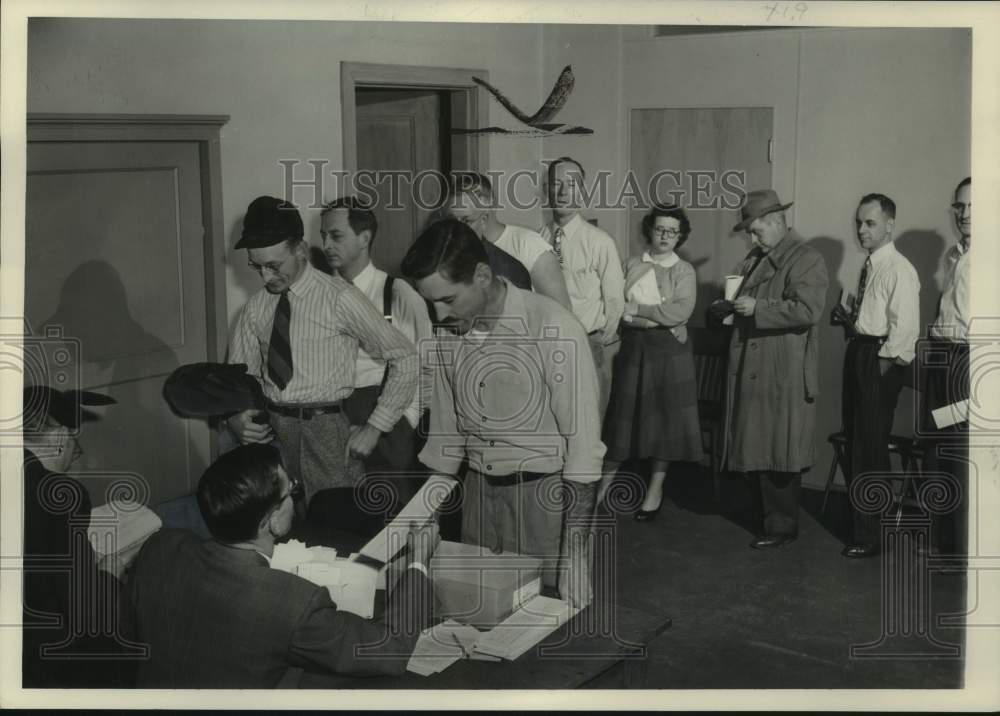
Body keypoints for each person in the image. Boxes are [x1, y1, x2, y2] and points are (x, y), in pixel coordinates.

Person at [401, 219, 604, 609]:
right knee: (476, 617)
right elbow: (445, 444)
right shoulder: (446, 334)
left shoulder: (553, 327)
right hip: (478, 498)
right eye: (430, 303)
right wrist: (425, 517)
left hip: (544, 503)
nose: (439, 315)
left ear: (482, 276)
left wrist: (575, 555)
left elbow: (584, 453)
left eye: (448, 299)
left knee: (544, 618)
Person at [120, 443, 437, 687]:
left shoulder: (161, 547)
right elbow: (389, 651)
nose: (295, 497)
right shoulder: (293, 601)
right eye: (291, 492)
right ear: (270, 521)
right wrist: (419, 560)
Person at [226, 196, 419, 508]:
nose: (265, 277)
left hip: (327, 433)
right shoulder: (255, 308)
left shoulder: (340, 298)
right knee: (282, 523)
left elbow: (405, 357)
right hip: (273, 434)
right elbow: (238, 378)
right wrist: (235, 418)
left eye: (274, 266)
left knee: (333, 522)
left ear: (300, 250)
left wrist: (375, 427)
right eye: (256, 266)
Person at [709, 189, 829, 549]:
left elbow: (808, 310)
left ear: (777, 221)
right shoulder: (756, 258)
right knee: (759, 444)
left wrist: (757, 308)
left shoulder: (806, 258)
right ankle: (766, 519)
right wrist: (725, 309)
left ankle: (781, 527)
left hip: (782, 370)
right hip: (754, 363)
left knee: (779, 448)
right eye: (750, 232)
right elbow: (740, 300)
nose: (752, 239)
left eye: (756, 231)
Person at [319, 196, 433, 515]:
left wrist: (403, 425)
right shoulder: (320, 296)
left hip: (389, 421)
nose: (326, 245)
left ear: (364, 237)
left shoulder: (397, 294)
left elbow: (425, 367)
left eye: (336, 235)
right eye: (323, 236)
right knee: (341, 513)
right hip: (335, 417)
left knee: (394, 518)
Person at [21, 386, 135, 687]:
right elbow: (86, 614)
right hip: (47, 665)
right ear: (59, 437)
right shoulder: (58, 495)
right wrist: (110, 572)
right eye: (74, 439)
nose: (75, 452)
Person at [597, 205, 703, 519]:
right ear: (649, 231)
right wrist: (653, 319)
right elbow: (617, 308)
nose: (665, 236)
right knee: (621, 421)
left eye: (672, 231)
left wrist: (639, 311)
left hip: (670, 354)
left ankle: (654, 491)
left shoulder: (683, 270)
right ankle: (601, 489)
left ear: (680, 236)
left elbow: (680, 311)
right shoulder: (631, 264)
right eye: (660, 229)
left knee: (665, 424)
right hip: (634, 350)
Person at [831, 193, 920, 558]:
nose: (861, 230)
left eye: (870, 223)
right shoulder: (871, 265)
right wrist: (850, 322)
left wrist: (878, 371)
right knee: (856, 441)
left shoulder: (899, 269)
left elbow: (905, 332)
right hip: (861, 350)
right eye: (858, 223)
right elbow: (872, 318)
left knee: (870, 448)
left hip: (879, 359)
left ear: (889, 225)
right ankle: (862, 525)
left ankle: (871, 537)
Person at [540, 156, 625, 418]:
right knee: (551, 421)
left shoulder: (600, 242)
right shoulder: (538, 239)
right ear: (547, 190)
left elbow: (614, 301)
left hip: (588, 345)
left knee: (588, 423)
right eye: (556, 184)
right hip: (547, 345)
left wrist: (597, 343)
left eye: (572, 185)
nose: (563, 192)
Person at [921, 177, 971, 556]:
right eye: (959, 206)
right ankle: (943, 541)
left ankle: (963, 546)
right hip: (943, 358)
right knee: (939, 449)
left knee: (963, 453)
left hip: (970, 364)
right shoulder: (955, 255)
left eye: (973, 206)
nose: (964, 213)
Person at [445, 171, 572, 310]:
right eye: (452, 220)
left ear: (488, 209)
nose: (457, 229)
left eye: (466, 220)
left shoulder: (527, 244)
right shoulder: (451, 251)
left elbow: (562, 312)